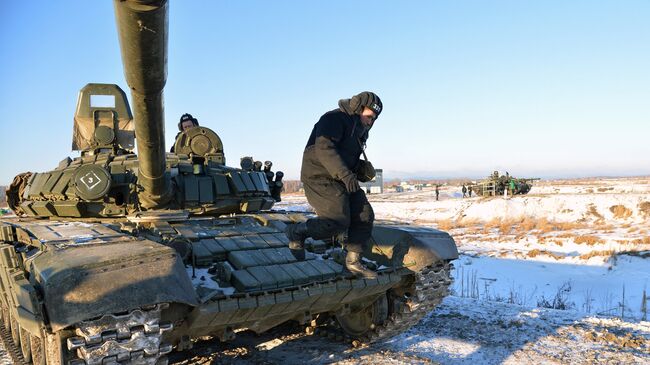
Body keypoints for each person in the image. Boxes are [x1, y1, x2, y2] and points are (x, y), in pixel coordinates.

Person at [285, 91, 382, 279]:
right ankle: (296, 232)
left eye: (374, 118)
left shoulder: (360, 130)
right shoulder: (333, 119)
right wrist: (345, 174)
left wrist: (359, 168)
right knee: (337, 222)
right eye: (370, 116)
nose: (371, 121)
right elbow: (324, 148)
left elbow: (345, 154)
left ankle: (353, 262)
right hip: (319, 176)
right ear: (358, 108)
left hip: (343, 177)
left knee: (364, 214)